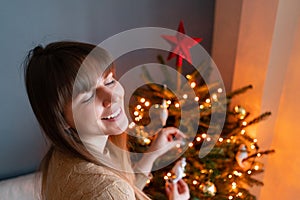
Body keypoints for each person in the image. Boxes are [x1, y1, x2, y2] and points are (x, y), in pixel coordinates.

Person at [23, 41, 190, 200]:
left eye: (109, 81)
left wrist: (151, 155)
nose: (113, 96)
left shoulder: (62, 155)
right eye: (88, 97)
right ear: (61, 119)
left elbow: (122, 191)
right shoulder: (105, 189)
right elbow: (112, 191)